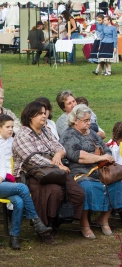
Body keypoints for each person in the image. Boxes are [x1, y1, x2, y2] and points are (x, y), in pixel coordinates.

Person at [12, 101, 84, 244]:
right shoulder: (22, 134)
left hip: (54, 170)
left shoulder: (47, 131)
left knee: (78, 194)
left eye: (45, 113)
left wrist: (58, 155)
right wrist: (56, 165)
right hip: (32, 173)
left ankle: (56, 221)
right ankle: (44, 228)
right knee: (54, 191)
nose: (44, 116)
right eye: (39, 113)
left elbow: (60, 147)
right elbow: (31, 158)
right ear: (30, 116)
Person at [0, 121, 52, 249]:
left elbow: (3, 170)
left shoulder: (0, 149)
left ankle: (14, 238)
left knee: (19, 202)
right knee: (22, 187)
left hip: (0, 181)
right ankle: (36, 221)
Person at [59, 104, 122, 239]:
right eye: (86, 120)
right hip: (80, 172)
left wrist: (107, 156)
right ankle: (84, 223)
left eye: (89, 120)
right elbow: (77, 155)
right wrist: (99, 157)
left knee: (117, 182)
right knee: (87, 187)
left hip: (100, 170)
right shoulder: (68, 135)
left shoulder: (91, 133)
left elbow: (106, 149)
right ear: (75, 120)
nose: (89, 123)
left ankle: (103, 219)